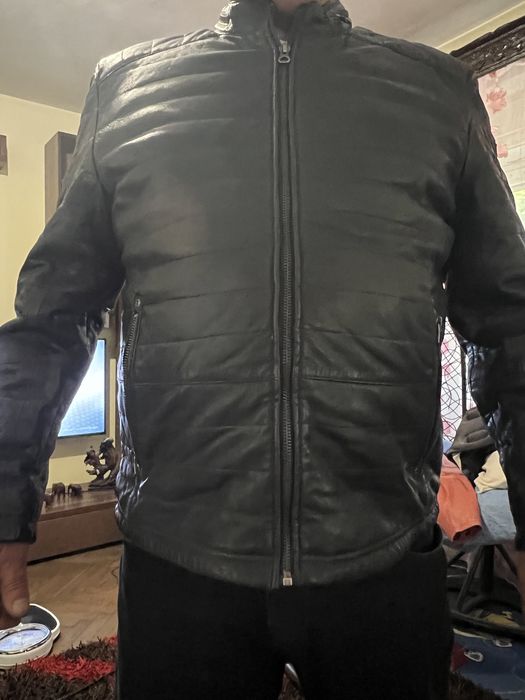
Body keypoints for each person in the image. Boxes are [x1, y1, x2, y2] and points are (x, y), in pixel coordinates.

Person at [1, 0, 525, 697]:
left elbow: (507, 320)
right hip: (180, 568)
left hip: (384, 561)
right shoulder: (124, 87)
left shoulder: (438, 90)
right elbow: (52, 316)